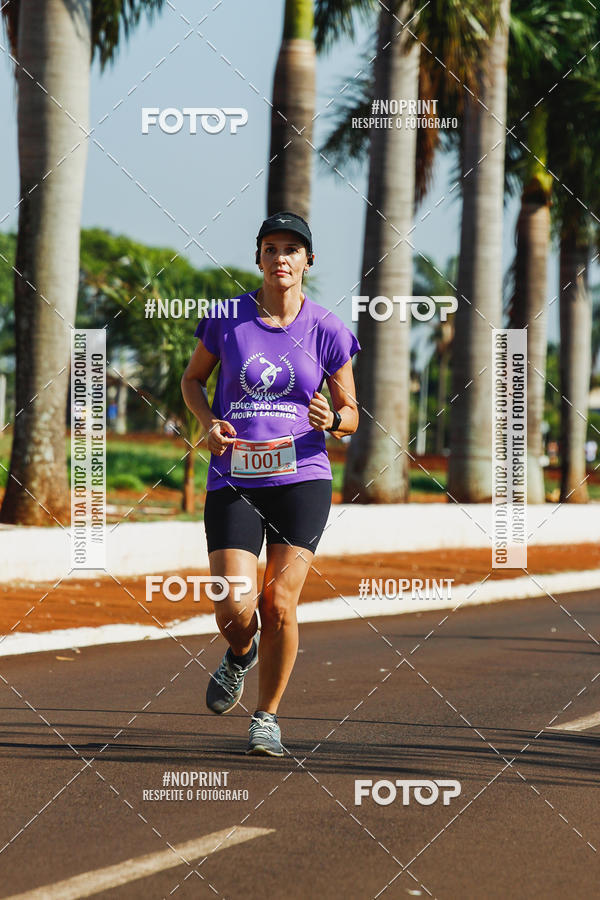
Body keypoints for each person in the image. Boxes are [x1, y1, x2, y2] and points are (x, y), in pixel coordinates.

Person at [181, 212, 360, 756]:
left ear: (309, 261)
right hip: (234, 476)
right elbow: (192, 380)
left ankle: (266, 717)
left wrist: (333, 419)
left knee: (279, 602)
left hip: (301, 476)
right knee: (234, 607)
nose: (280, 257)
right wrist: (208, 421)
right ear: (258, 258)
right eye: (270, 247)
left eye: (292, 249)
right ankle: (239, 653)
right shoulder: (227, 320)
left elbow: (352, 414)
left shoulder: (327, 329)